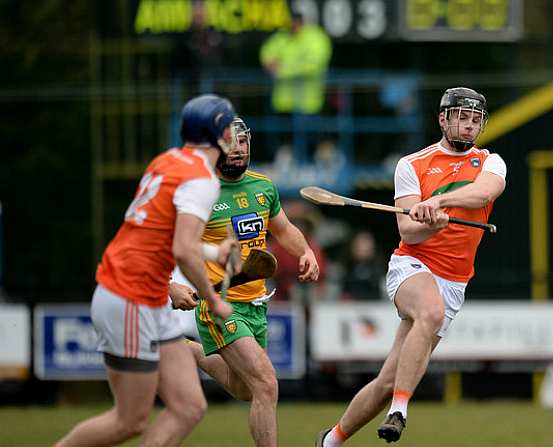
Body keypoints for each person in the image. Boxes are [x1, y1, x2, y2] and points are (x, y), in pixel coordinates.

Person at [315, 87, 506, 446]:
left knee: (387, 380)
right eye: (461, 118)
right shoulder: (412, 165)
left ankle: (330, 441)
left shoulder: (491, 161)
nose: (468, 127)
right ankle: (400, 411)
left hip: (454, 281)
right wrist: (429, 221)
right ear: (443, 119)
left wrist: (439, 203)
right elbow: (409, 232)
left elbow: (484, 193)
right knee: (430, 313)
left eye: (475, 120)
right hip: (413, 266)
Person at [56, 94, 238, 447]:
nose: (233, 132)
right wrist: (214, 302)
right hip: (130, 297)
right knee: (129, 421)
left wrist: (216, 251)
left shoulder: (169, 160)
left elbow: (164, 234)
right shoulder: (202, 179)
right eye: (229, 124)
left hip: (147, 297)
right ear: (218, 132)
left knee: (188, 406)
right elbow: (182, 250)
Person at [168, 116, 321, 447]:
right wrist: (170, 285)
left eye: (243, 141)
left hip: (255, 303)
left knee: (244, 389)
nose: (238, 149)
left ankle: (181, 349)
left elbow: (283, 230)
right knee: (266, 383)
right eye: (229, 142)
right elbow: (159, 245)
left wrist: (305, 251)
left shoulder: (262, 187)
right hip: (218, 305)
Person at [259, 11, 332, 115]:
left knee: (309, 129)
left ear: (302, 22)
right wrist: (269, 63)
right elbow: (267, 51)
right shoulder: (283, 35)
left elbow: (314, 64)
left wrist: (282, 70)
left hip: (308, 104)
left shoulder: (316, 37)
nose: (292, 26)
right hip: (283, 103)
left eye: (295, 23)